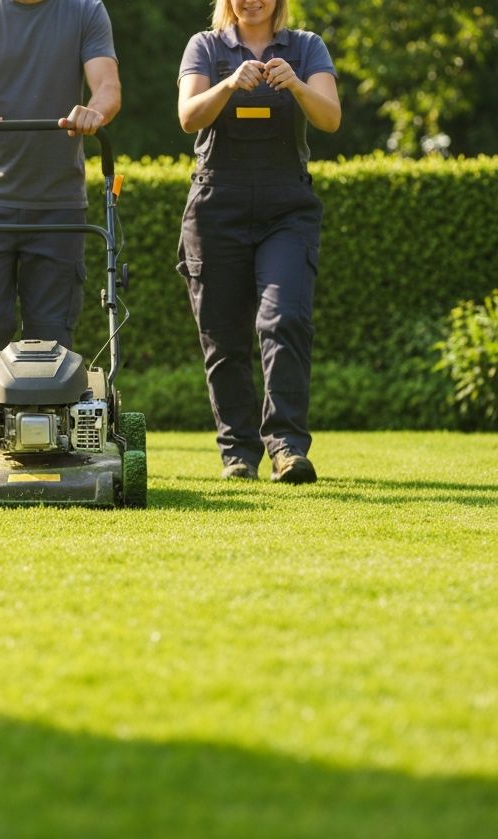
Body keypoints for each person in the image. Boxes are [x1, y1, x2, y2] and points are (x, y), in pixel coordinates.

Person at [176, 0, 341, 483]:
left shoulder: (307, 47)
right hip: (216, 206)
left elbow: (330, 118)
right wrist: (229, 84)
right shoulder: (204, 47)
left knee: (284, 318)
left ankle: (288, 447)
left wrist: (296, 84)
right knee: (224, 339)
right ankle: (238, 454)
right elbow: (188, 117)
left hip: (285, 209)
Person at [0, 0, 121, 373]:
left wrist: (93, 112)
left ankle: (48, 421)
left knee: (51, 338)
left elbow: (107, 85)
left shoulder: (85, 10)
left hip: (59, 202)